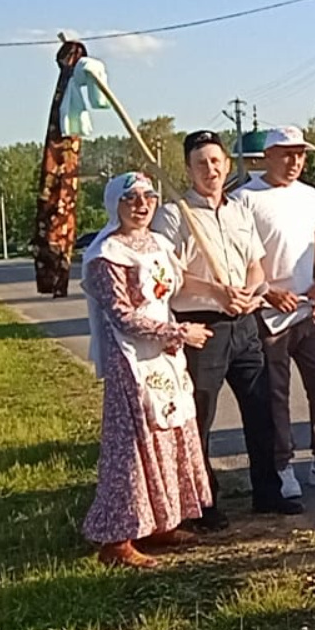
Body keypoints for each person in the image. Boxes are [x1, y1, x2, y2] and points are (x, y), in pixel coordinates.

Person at [154, 130, 301, 525]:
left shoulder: (238, 209)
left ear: (226, 164)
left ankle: (267, 492)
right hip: (202, 327)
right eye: (201, 163)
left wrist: (253, 291)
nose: (211, 169)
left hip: (245, 325)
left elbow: (255, 262)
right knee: (198, 417)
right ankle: (202, 503)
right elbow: (166, 275)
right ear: (187, 169)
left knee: (261, 409)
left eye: (216, 161)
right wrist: (216, 292)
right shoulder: (172, 215)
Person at [82, 172, 213, 567]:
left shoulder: (158, 243)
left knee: (171, 433)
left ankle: (161, 522)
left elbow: (173, 287)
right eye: (132, 198)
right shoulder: (107, 255)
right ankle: (117, 540)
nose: (142, 205)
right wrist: (178, 331)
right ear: (114, 205)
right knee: (133, 449)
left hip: (165, 355)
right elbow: (121, 315)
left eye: (149, 197)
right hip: (131, 359)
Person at [234, 126, 315, 498]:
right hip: (268, 313)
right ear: (268, 155)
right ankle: (282, 467)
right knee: (276, 394)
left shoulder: (311, 197)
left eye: (301, 154)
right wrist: (268, 292)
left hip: (310, 312)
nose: (295, 161)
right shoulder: (245, 198)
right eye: (287, 154)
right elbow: (241, 258)